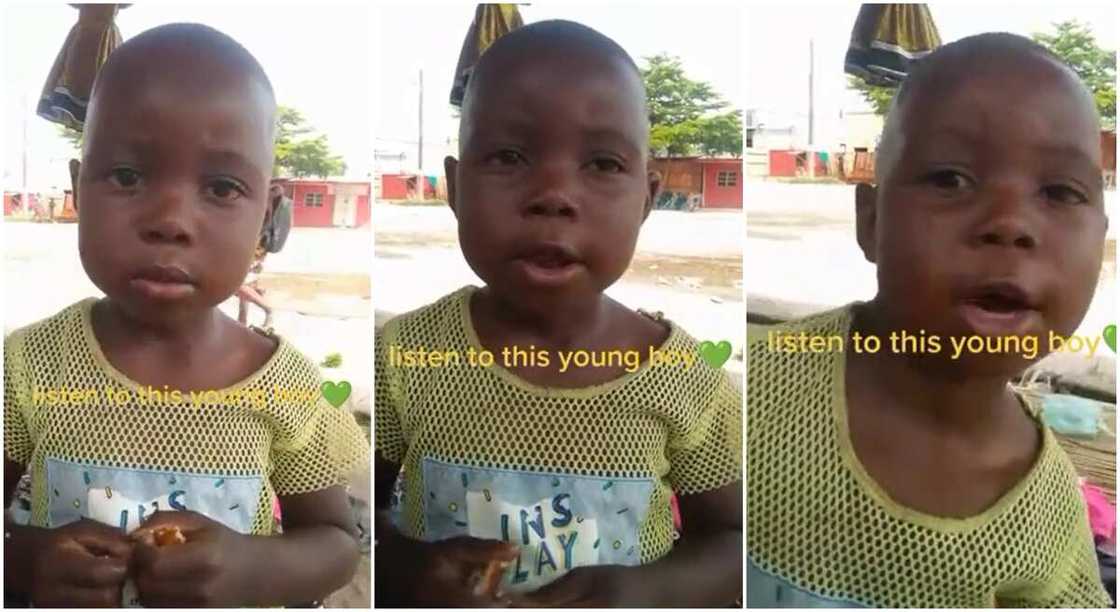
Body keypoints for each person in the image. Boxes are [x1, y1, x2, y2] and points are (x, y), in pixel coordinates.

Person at [374, 20, 742, 607]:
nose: (553, 193)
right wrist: (410, 573)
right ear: (455, 186)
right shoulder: (404, 354)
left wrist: (641, 593)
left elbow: (730, 540)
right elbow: (360, 522)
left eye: (601, 164)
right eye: (508, 155)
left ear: (647, 199)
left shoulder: (688, 382)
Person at [3, 23, 369, 607]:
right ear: (78, 192)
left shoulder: (289, 386)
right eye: (126, 176)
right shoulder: (27, 365)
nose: (171, 220)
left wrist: (252, 567)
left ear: (268, 214)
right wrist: (22, 561)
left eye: (222, 188)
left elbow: (337, 544)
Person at [746, 33, 1112, 608]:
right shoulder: (758, 397)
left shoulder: (1051, 527)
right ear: (870, 221)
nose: (1010, 224)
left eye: (1061, 191)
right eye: (950, 179)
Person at [236, 183, 289, 329]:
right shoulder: (273, 205)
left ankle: (268, 310)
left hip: (253, 249)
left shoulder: (264, 206)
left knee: (237, 285)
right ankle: (242, 322)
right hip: (259, 251)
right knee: (245, 285)